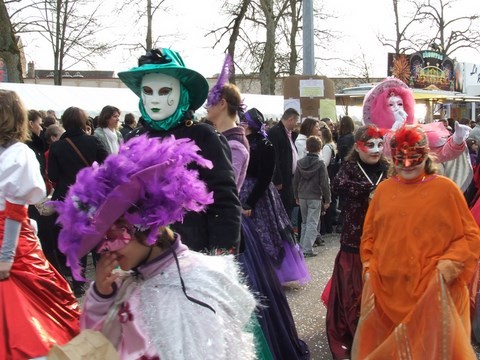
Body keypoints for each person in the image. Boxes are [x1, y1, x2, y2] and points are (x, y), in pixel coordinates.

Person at [55, 134, 257, 360]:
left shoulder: (190, 290)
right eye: (99, 242)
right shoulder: (126, 283)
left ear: (144, 222)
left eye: (113, 235)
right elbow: (98, 343)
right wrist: (102, 295)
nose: (105, 249)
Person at [207, 58, 310, 359]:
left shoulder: (235, 144)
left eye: (210, 102)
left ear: (223, 104)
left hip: (230, 227)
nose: (205, 108)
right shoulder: (223, 139)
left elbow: (226, 192)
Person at [352, 125, 480, 359]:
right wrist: (369, 268)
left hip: (434, 292)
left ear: (426, 155)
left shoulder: (446, 190)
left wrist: (447, 267)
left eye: (415, 157)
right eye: (401, 158)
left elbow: (470, 236)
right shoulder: (383, 192)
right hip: (389, 291)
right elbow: (369, 237)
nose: (408, 165)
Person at [118, 48, 241, 253]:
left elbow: (224, 201)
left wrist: (221, 258)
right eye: (148, 91)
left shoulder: (204, 136)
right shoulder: (133, 138)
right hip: (139, 253)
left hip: (190, 253)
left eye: (165, 91)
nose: (155, 99)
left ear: (182, 92)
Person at [0, 90, 80, 359]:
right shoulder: (18, 153)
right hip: (12, 245)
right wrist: (7, 256)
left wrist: (6, 256)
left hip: (12, 243)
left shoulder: (17, 153)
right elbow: (14, 208)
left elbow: (14, 208)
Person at [325, 124, 388, 360]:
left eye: (380, 144)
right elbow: (337, 185)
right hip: (354, 237)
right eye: (370, 145)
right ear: (358, 146)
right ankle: (355, 332)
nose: (375, 150)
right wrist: (367, 190)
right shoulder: (350, 167)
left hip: (382, 238)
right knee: (354, 291)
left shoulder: (387, 168)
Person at [240, 107, 310, 286]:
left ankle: (268, 273)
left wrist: (250, 202)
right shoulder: (240, 142)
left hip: (259, 195)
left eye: (243, 122)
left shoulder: (264, 145)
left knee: (268, 233)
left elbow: (265, 178)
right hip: (244, 191)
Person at [48, 106, 109, 295]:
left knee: (75, 240)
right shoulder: (94, 141)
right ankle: (103, 279)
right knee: (97, 237)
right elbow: (108, 167)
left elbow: (53, 175)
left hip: (68, 197)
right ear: (84, 122)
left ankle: (77, 282)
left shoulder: (57, 146)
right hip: (93, 195)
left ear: (64, 122)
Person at [293, 135, 331, 257]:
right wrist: (327, 199)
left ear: (307, 147)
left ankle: (302, 246)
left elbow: (295, 181)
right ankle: (307, 248)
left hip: (302, 195)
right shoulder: (321, 164)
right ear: (319, 148)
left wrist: (296, 195)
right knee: (312, 223)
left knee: (304, 222)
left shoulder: (300, 163)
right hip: (315, 195)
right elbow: (324, 183)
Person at [268, 108, 300, 219]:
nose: (296, 124)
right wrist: (277, 179)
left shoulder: (290, 133)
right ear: (291, 119)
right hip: (282, 180)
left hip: (290, 179)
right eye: (296, 121)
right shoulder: (275, 133)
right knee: (282, 211)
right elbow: (273, 157)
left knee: (289, 207)